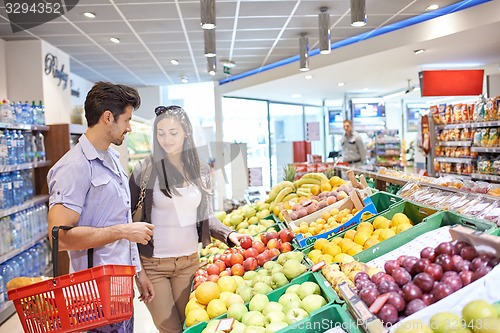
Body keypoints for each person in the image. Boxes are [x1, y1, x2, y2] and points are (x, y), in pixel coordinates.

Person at [47, 82, 155, 333]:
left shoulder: (112, 159)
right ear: (108, 117)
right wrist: (123, 232)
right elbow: (58, 238)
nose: (129, 127)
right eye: (126, 120)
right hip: (94, 296)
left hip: (120, 288)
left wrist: (138, 274)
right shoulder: (74, 167)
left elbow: (120, 219)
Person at [129, 105, 246, 333]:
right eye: (161, 133)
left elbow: (205, 216)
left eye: (173, 133)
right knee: (169, 328)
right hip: (154, 266)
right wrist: (139, 271)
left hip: (189, 263)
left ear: (186, 133)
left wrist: (228, 233)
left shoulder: (199, 170)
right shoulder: (144, 170)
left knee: (192, 325)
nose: (167, 139)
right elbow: (128, 223)